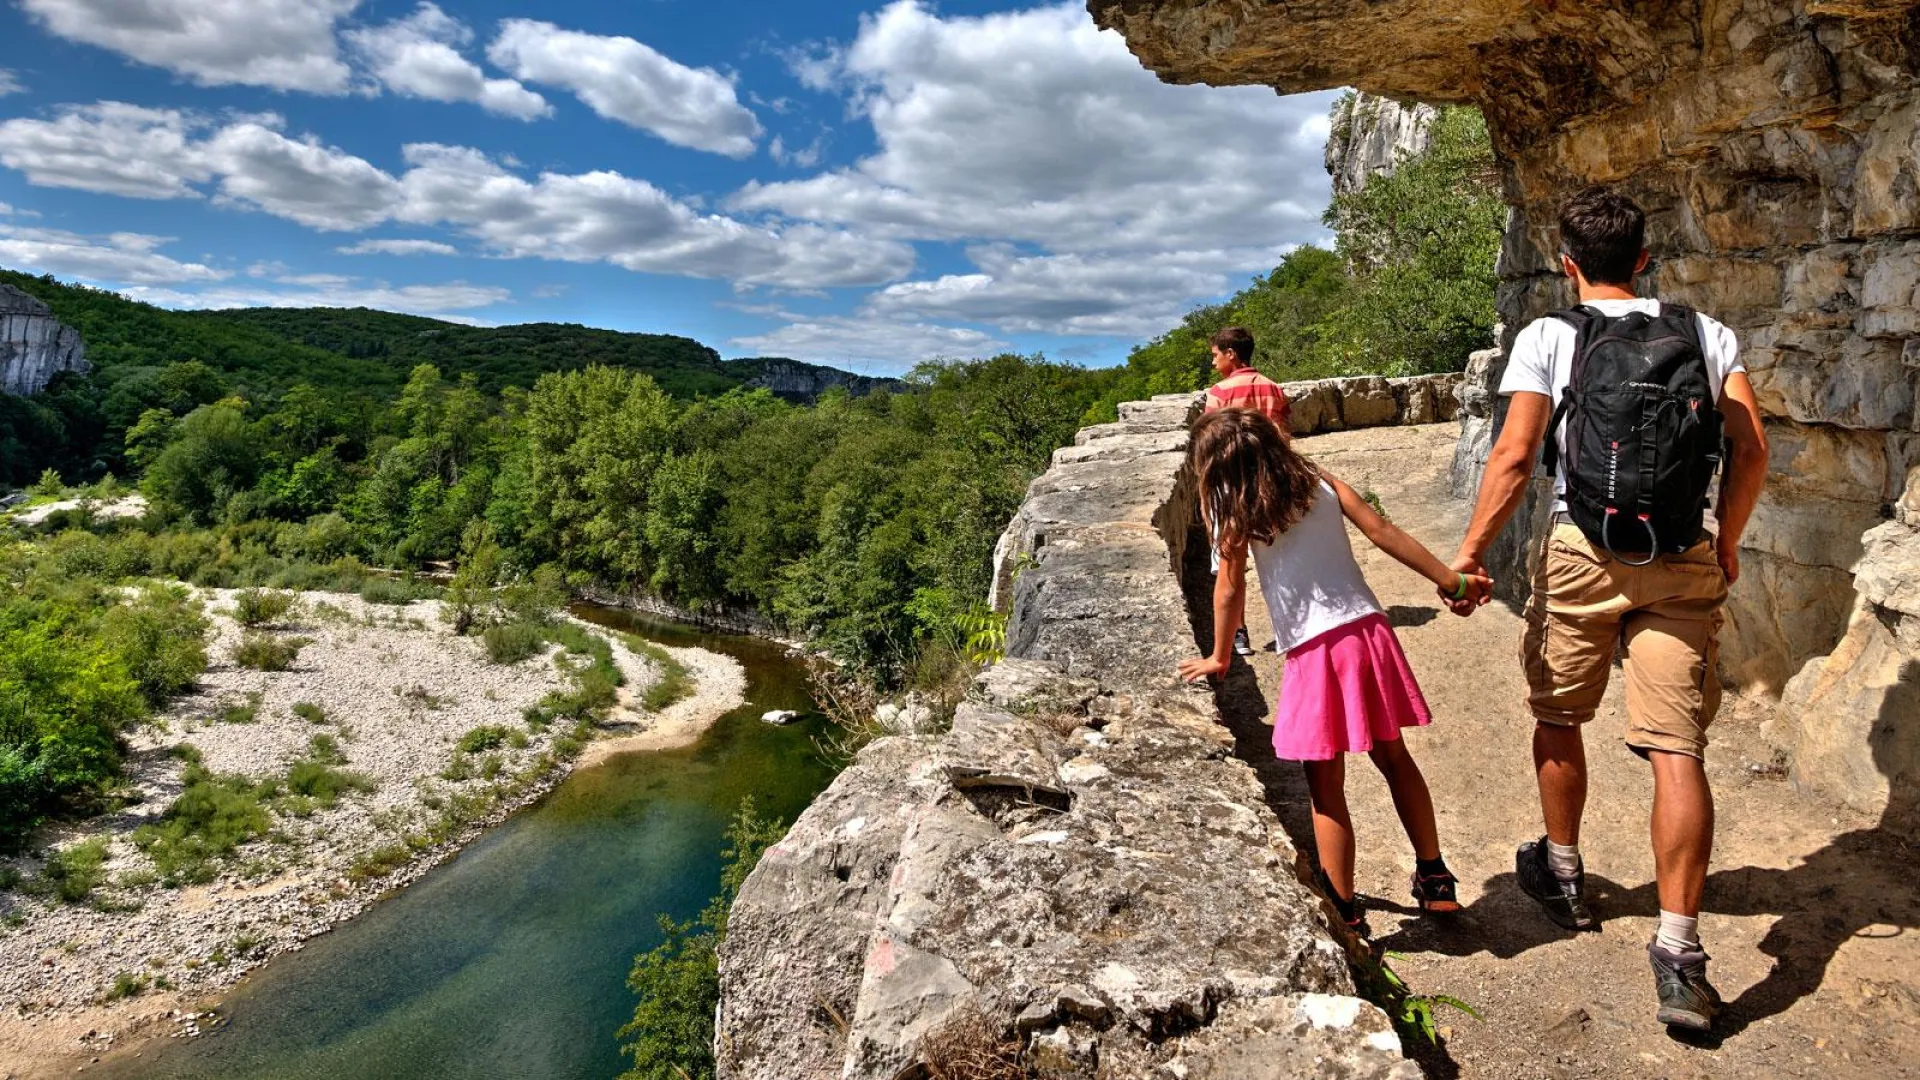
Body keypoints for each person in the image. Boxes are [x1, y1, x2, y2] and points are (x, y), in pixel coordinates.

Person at [1447, 187, 1768, 1031]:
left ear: (1567, 265)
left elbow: (1516, 455)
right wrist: (1726, 541)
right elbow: (1751, 446)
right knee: (1676, 748)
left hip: (1584, 552)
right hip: (1681, 554)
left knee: (1559, 716)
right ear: (1646, 259)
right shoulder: (1707, 333)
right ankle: (1679, 951)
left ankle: (1561, 872)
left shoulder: (1550, 336)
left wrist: (1472, 552)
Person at [1178, 407, 1491, 935]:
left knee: (1325, 785)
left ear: (1219, 472)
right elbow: (1383, 531)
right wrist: (1452, 582)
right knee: (1394, 757)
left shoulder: (1238, 519)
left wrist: (1220, 655)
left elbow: (1229, 588)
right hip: (1368, 632)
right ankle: (1435, 878)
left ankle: (1345, 910)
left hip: (1314, 649)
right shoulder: (1318, 482)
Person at [1203, 326, 1292, 656]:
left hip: (1230, 482)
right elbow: (1284, 435)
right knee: (1279, 555)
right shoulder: (1272, 387)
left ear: (1231, 354)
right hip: (1269, 478)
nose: (1213, 362)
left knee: (1231, 564)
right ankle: (1290, 625)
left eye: (1215, 355)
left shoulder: (1219, 392)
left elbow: (1212, 441)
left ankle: (1238, 635)